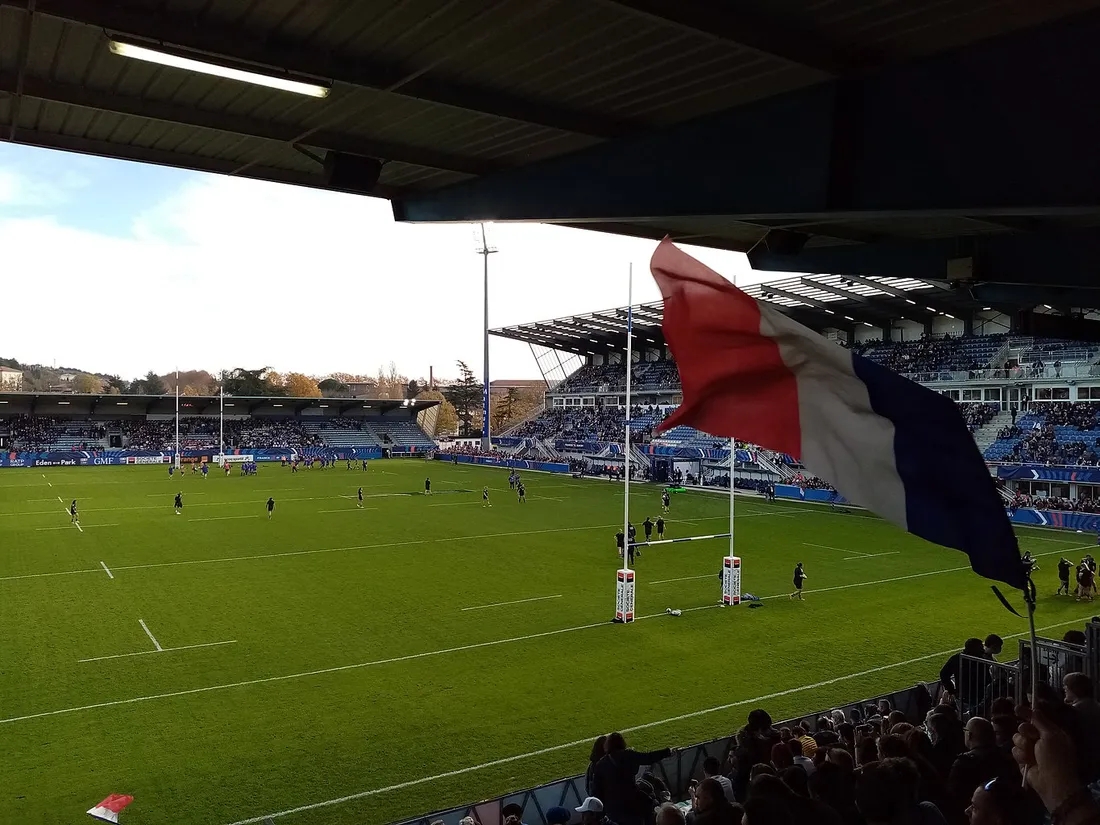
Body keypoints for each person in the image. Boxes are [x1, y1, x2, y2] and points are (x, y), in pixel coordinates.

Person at [590, 732, 673, 825]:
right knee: (651, 805)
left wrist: (599, 813)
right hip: (631, 803)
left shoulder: (600, 764)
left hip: (613, 809)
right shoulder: (628, 755)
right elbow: (648, 758)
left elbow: (596, 791)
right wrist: (667, 751)